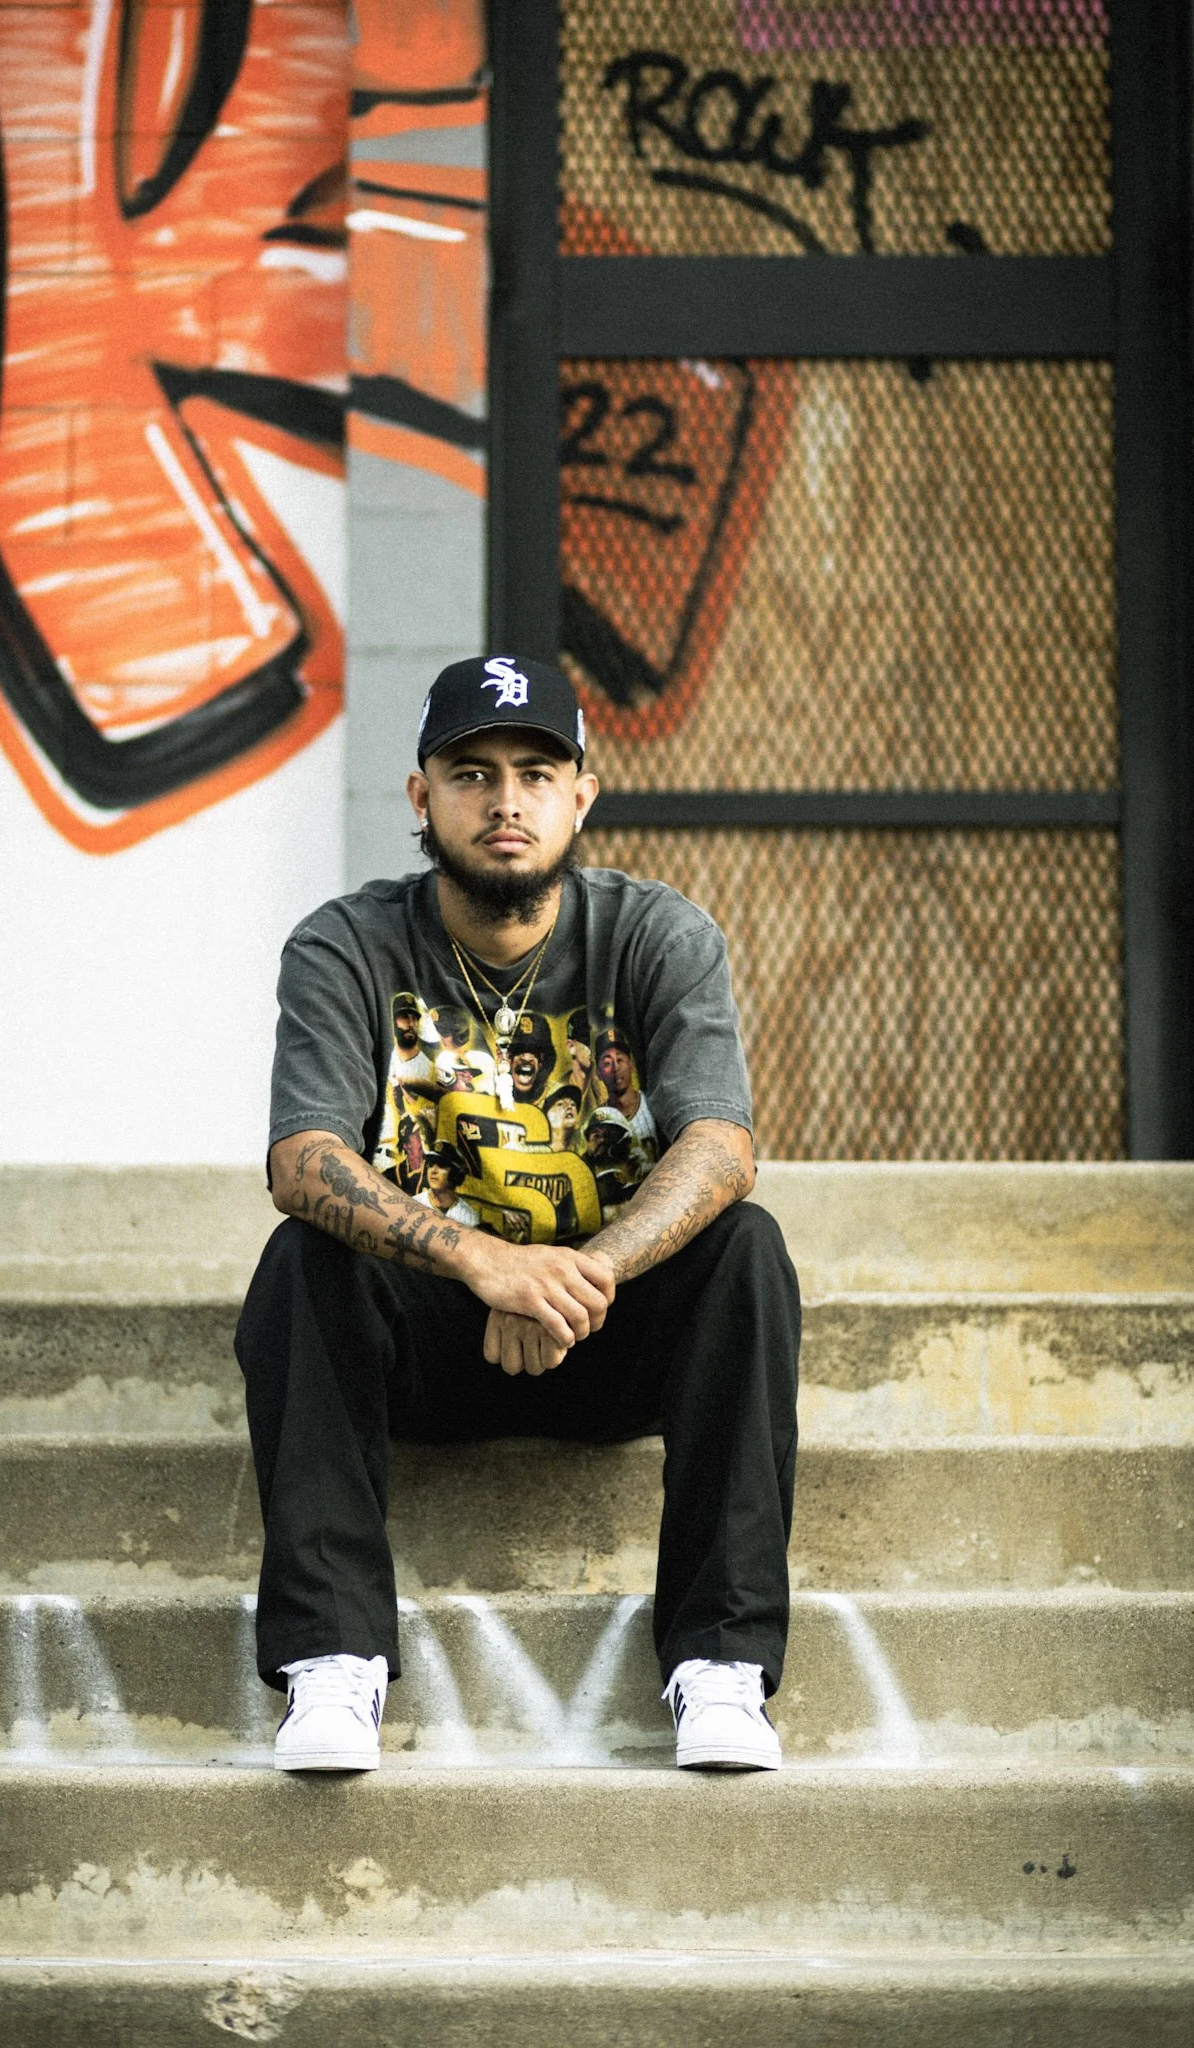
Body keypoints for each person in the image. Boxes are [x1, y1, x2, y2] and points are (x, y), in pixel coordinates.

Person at [236, 654, 800, 1776]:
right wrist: (482, 1261)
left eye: (536, 774)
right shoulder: (345, 944)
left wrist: (577, 1274)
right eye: (472, 773)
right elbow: (303, 1160)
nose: (506, 801)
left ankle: (721, 1662)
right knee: (304, 1259)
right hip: (429, 1340)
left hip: (608, 1328)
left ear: (580, 796)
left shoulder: (656, 933)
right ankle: (333, 1657)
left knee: (749, 1250)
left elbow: (720, 1146)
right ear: (421, 796)